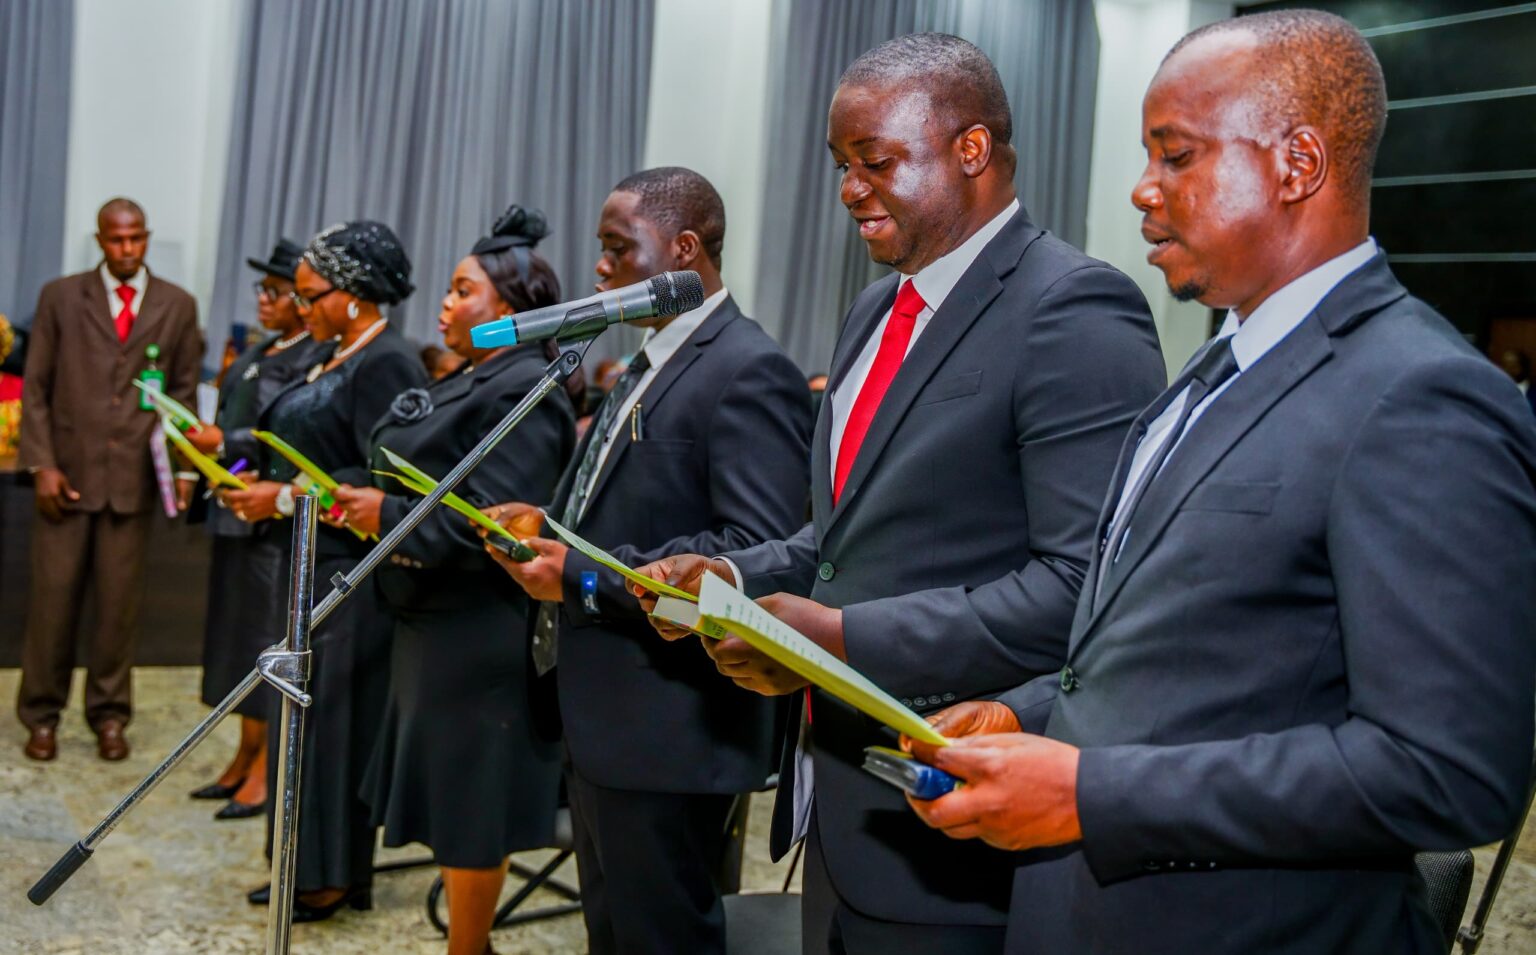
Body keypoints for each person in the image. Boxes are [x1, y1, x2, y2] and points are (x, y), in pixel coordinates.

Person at [900, 12, 1536, 954]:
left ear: (1297, 164)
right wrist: (1029, 711)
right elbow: (1189, 656)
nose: (1142, 191)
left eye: (1176, 156)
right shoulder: (1212, 367)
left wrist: (1090, 792)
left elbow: (1445, 770)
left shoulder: (1420, 396)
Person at [633, 34, 1165, 954]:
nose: (849, 189)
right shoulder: (875, 310)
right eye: (842, 165)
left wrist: (837, 639)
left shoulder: (1073, 306)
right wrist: (731, 572)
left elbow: (1085, 584)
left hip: (962, 818)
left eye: (875, 162)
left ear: (971, 150)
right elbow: (839, 542)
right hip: (842, 808)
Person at [483, 167, 812, 955]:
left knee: (661, 937)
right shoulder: (643, 360)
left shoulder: (745, 367)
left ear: (683, 248)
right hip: (603, 713)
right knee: (615, 933)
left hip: (670, 723)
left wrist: (582, 572)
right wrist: (546, 525)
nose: (600, 268)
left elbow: (753, 552)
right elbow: (607, 504)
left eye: (615, 248)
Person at [332, 206, 577, 955]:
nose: (443, 302)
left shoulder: (525, 388)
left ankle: (468, 948)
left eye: (460, 289)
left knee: (473, 804)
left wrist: (389, 514)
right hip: (429, 624)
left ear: (505, 306)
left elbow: (494, 523)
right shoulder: (475, 377)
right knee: (451, 797)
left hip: (478, 631)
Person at [221, 220, 425, 921]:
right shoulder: (336, 352)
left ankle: (331, 875)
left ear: (356, 293)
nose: (301, 308)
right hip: (308, 562)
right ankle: (302, 866)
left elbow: (376, 478)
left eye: (311, 295)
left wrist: (278, 496)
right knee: (301, 724)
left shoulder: (387, 362)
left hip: (350, 577)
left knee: (333, 729)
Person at [17, 197, 203, 762]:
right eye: (117, 240)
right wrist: (42, 464)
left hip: (133, 482)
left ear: (147, 237)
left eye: (137, 239)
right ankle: (41, 715)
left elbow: (185, 394)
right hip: (67, 480)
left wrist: (187, 469)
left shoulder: (177, 305)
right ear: (100, 240)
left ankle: (109, 715)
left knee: (119, 609)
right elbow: (37, 387)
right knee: (52, 605)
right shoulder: (60, 297)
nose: (128, 250)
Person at [183, 239, 322, 819]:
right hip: (238, 512)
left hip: (277, 522)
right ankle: (243, 756)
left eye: (276, 291)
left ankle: (266, 772)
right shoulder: (267, 347)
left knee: (266, 640)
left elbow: (283, 437)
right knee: (238, 643)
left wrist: (231, 447)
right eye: (260, 291)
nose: (264, 300)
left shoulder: (313, 356)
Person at [1497, 348, 1536, 417]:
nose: (1507, 371)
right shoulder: (1495, 391)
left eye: (1513, 366)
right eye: (1504, 366)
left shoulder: (1533, 394)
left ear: (1523, 368)